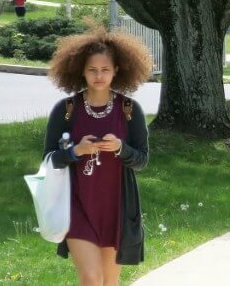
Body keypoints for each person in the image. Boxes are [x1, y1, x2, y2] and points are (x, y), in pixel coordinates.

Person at [42, 26, 153, 285]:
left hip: (116, 209)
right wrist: (74, 151)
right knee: (92, 278)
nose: (99, 75)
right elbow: (48, 159)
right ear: (81, 70)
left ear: (117, 70)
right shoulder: (66, 110)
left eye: (105, 69)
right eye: (92, 70)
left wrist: (121, 149)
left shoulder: (129, 109)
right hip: (77, 206)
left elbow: (142, 159)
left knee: (109, 282)